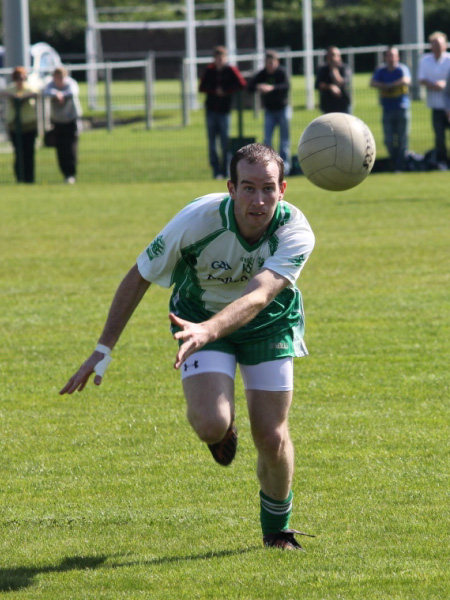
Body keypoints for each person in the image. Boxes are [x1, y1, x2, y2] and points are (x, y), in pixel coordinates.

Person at [60, 143, 316, 551]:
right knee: (210, 424)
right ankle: (222, 424)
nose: (259, 199)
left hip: (268, 324)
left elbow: (258, 296)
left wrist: (210, 331)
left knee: (271, 436)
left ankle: (277, 530)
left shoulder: (295, 230)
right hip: (195, 317)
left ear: (283, 189)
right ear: (230, 188)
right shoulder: (196, 220)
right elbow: (140, 274)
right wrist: (103, 348)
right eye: (248, 188)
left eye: (268, 188)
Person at [199, 46, 247, 179]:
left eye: (222, 57)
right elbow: (202, 87)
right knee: (212, 143)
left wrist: (226, 91)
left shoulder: (230, 70)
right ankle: (216, 171)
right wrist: (215, 91)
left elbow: (241, 84)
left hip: (224, 111)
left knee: (225, 142)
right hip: (211, 110)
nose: (220, 60)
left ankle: (226, 170)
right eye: (217, 58)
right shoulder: (210, 70)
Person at [248, 50, 291, 175]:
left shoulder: (281, 73)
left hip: (283, 109)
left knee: (284, 141)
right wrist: (259, 87)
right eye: (267, 63)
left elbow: (286, 86)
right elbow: (250, 87)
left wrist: (272, 88)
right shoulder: (262, 74)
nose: (270, 65)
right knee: (267, 140)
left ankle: (285, 167)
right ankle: (268, 166)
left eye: (272, 63)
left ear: (276, 62)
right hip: (269, 111)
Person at [370, 46, 411, 172]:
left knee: (402, 138)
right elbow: (372, 83)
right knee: (388, 139)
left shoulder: (402, 69)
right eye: (389, 55)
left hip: (401, 108)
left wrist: (390, 85)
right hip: (387, 109)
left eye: (393, 55)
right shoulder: (381, 70)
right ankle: (393, 162)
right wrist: (385, 86)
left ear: (397, 57)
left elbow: (406, 80)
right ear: (385, 57)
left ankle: (401, 163)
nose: (391, 58)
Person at [43, 66, 82, 184]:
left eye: (60, 77)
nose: (58, 79)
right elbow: (45, 92)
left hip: (71, 121)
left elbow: (73, 91)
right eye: (56, 77)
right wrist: (56, 94)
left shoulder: (71, 84)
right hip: (57, 122)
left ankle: (71, 174)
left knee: (70, 148)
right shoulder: (51, 85)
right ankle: (65, 174)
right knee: (60, 149)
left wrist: (62, 95)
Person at [0, 66, 38, 183]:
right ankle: (19, 178)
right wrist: (14, 97)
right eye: (18, 78)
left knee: (29, 153)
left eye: (22, 77)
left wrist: (22, 97)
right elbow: (3, 93)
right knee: (18, 153)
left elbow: (36, 93)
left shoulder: (29, 88)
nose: (20, 80)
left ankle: (29, 178)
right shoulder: (11, 89)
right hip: (15, 126)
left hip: (29, 124)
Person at [418, 31, 450, 169]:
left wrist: (444, 84)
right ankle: (443, 162)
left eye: (439, 44)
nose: (436, 47)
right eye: (434, 44)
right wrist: (434, 85)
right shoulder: (425, 60)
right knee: (439, 137)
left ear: (445, 45)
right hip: (436, 106)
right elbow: (421, 79)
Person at [315, 46, 352, 114]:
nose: (332, 58)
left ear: (339, 57)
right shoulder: (322, 69)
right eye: (330, 55)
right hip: (327, 105)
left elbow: (342, 83)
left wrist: (334, 69)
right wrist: (330, 87)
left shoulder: (345, 68)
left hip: (343, 104)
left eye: (334, 55)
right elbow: (318, 84)